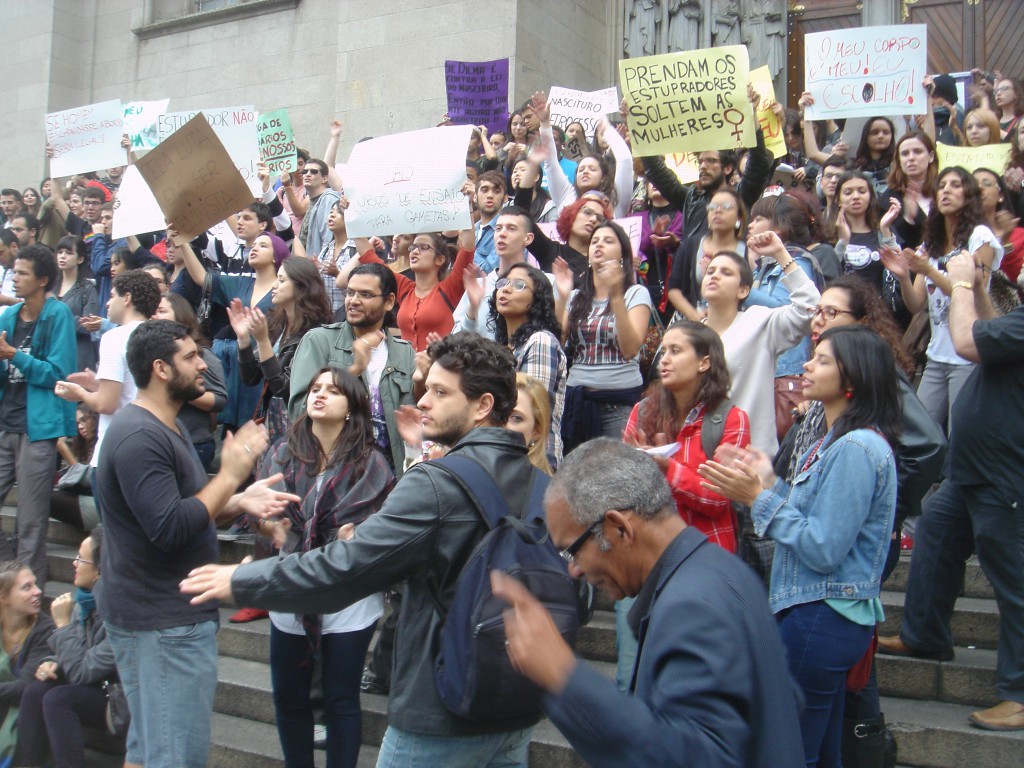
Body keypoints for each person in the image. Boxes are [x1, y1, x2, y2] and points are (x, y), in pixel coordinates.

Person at [182, 333, 546, 768]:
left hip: (440, 709)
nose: (423, 400)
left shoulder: (434, 482)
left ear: (483, 406)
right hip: (517, 706)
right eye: (427, 387)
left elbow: (346, 568)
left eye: (439, 391)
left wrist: (241, 580)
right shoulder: (544, 486)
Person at [491, 437, 804, 768]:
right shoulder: (722, 570)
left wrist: (564, 677)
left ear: (619, 528)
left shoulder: (691, 606)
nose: (574, 568)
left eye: (574, 548)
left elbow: (700, 758)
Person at [95, 319, 295, 768]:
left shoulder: (164, 425)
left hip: (159, 618)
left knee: (147, 751)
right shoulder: (140, 436)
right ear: (161, 369)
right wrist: (230, 474)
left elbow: (187, 507)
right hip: (163, 624)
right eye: (190, 357)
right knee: (172, 757)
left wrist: (238, 498)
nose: (203, 365)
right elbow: (170, 527)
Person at [700, 325, 901, 768]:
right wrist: (767, 480)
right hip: (820, 613)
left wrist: (757, 497)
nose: (806, 365)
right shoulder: (835, 442)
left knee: (791, 752)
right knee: (821, 751)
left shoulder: (855, 448)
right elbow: (814, 519)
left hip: (822, 615)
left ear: (852, 380)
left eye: (823, 360)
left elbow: (824, 547)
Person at [877, 251, 1024, 731]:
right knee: (936, 540)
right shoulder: (1018, 321)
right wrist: (978, 290)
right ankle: (925, 635)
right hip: (970, 469)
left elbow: (967, 342)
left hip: (1005, 474)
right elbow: (993, 333)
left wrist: (960, 286)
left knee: (1015, 583)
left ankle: (1019, 693)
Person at [258, 367, 394, 768]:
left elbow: (386, 523)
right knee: (288, 696)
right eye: (315, 388)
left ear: (352, 408)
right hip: (291, 586)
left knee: (340, 698)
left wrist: (360, 536)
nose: (319, 395)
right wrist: (270, 526)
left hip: (347, 594)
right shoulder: (283, 453)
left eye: (332, 391)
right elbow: (260, 513)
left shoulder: (372, 465)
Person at [886, 166, 1002, 434]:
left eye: (956, 185)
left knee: (961, 435)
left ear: (969, 195)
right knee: (919, 433)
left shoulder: (980, 237)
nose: (947, 190)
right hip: (937, 355)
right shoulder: (931, 243)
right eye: (942, 186)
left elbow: (974, 293)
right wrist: (905, 275)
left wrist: (928, 271)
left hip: (968, 356)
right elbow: (916, 304)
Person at [624, 320, 750, 554]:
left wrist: (667, 469)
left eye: (676, 351)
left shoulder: (730, 419)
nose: (664, 360)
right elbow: (623, 488)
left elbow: (717, 500)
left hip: (708, 554)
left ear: (704, 363)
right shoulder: (642, 411)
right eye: (663, 351)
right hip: (651, 552)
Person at [289, 263, 416, 476]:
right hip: (334, 471)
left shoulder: (405, 353)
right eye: (350, 293)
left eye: (365, 294)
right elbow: (299, 412)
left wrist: (422, 381)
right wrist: (353, 371)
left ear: (389, 301)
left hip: (391, 473)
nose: (353, 301)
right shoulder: (319, 341)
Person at [13, 528, 125, 768]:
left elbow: (82, 672)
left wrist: (62, 626)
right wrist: (53, 661)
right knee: (36, 690)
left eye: (81, 559)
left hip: (122, 698)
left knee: (58, 698)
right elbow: (78, 652)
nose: (74, 563)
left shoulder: (120, 616)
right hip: (95, 684)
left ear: (99, 571)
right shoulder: (85, 601)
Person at [0, 245, 77, 587]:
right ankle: (9, 573)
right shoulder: (7, 317)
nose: (15, 279)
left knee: (30, 522)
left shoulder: (57, 314)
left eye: (23, 273)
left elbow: (57, 374)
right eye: (14, 272)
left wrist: (14, 355)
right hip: (5, 424)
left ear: (43, 279)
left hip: (38, 430)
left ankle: (28, 602)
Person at [700, 235, 820, 454]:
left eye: (726, 273)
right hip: (700, 458)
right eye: (710, 271)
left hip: (752, 458)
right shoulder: (692, 333)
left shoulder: (759, 321)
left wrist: (780, 254)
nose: (715, 275)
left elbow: (810, 307)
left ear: (744, 290)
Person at [556, 221, 652, 453]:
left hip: (619, 405)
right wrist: (561, 295)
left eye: (608, 241)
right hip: (577, 402)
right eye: (595, 241)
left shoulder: (636, 293)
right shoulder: (577, 296)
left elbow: (630, 349)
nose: (599, 245)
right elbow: (558, 342)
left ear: (623, 256)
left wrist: (616, 295)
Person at [466, 261, 566, 464]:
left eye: (519, 285)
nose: (506, 289)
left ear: (536, 300)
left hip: (534, 461)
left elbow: (531, 409)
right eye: (503, 283)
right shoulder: (501, 347)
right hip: (503, 456)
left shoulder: (541, 342)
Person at [230, 256, 333, 446]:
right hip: (271, 417)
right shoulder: (277, 323)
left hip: (299, 423)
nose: (274, 285)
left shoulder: (315, 333)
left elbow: (284, 388)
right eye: (276, 278)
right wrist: (243, 339)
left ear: (301, 286)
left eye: (282, 280)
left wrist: (262, 342)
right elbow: (250, 377)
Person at [355, 227, 475, 352]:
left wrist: (468, 208)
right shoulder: (405, 288)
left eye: (423, 247)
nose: (414, 252)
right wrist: (351, 215)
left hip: (439, 368)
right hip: (406, 369)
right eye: (413, 248)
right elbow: (368, 256)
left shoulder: (450, 288)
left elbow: (468, 247)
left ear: (440, 259)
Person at [152, 294, 228, 471]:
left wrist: (179, 388)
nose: (154, 316)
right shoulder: (152, 352)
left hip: (193, 443)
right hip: (160, 439)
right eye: (153, 311)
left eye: (161, 311)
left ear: (180, 316)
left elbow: (219, 400)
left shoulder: (200, 355)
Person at [0, 562, 55, 763]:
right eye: (27, 587)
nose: (38, 591)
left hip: (26, 712)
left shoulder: (44, 629)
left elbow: (25, 687)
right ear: (4, 597)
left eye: (36, 584)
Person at [667, 187, 747, 321]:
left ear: (739, 216)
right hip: (690, 323)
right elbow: (674, 289)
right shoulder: (690, 245)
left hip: (731, 324)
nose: (718, 211)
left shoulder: (747, 251)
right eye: (712, 206)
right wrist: (694, 315)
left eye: (726, 207)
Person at [52, 236, 99, 372]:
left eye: (69, 252)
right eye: (60, 252)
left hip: (78, 354)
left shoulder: (88, 289)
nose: (63, 256)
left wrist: (58, 319)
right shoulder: (49, 287)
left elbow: (89, 324)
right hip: (52, 351)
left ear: (80, 259)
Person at [511, 373, 554, 475]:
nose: (501, 422)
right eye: (498, 411)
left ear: (537, 431)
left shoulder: (543, 487)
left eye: (516, 418)